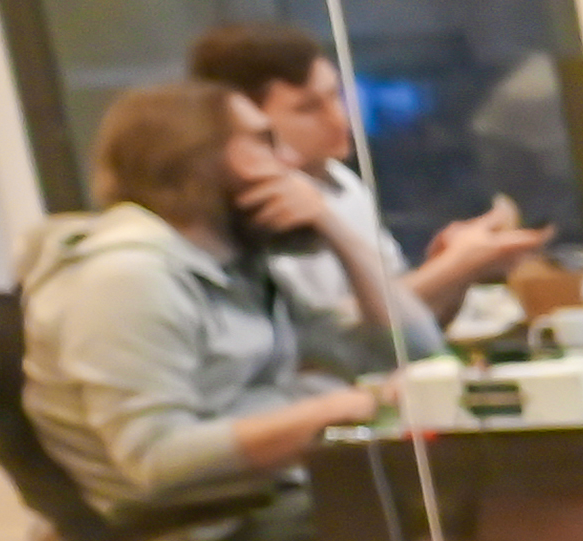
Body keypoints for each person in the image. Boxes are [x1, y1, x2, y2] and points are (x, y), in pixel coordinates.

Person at [10, 79, 583, 541]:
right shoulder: (128, 280)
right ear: (192, 157)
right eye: (263, 142)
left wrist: (333, 229)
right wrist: (347, 407)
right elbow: (155, 461)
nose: (290, 161)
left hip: (283, 501)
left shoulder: (231, 263)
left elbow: (408, 347)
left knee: (562, 514)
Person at [186, 19, 536, 355]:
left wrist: (456, 269)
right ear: (247, 119)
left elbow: (407, 332)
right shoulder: (260, 206)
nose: (340, 118)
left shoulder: (344, 181)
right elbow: (331, 333)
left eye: (335, 95)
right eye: (308, 108)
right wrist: (457, 264)